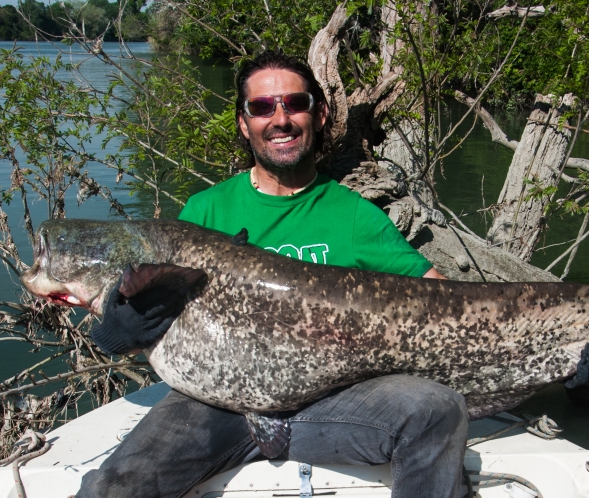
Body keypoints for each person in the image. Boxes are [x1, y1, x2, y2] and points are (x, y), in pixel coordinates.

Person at [76, 50, 468, 498]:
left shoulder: (356, 216)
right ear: (244, 124)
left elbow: (447, 304)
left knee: (437, 409)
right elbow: (142, 326)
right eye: (262, 107)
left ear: (320, 114)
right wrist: (119, 330)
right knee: (109, 489)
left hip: (332, 400)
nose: (280, 119)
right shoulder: (205, 212)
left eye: (294, 103)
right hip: (212, 402)